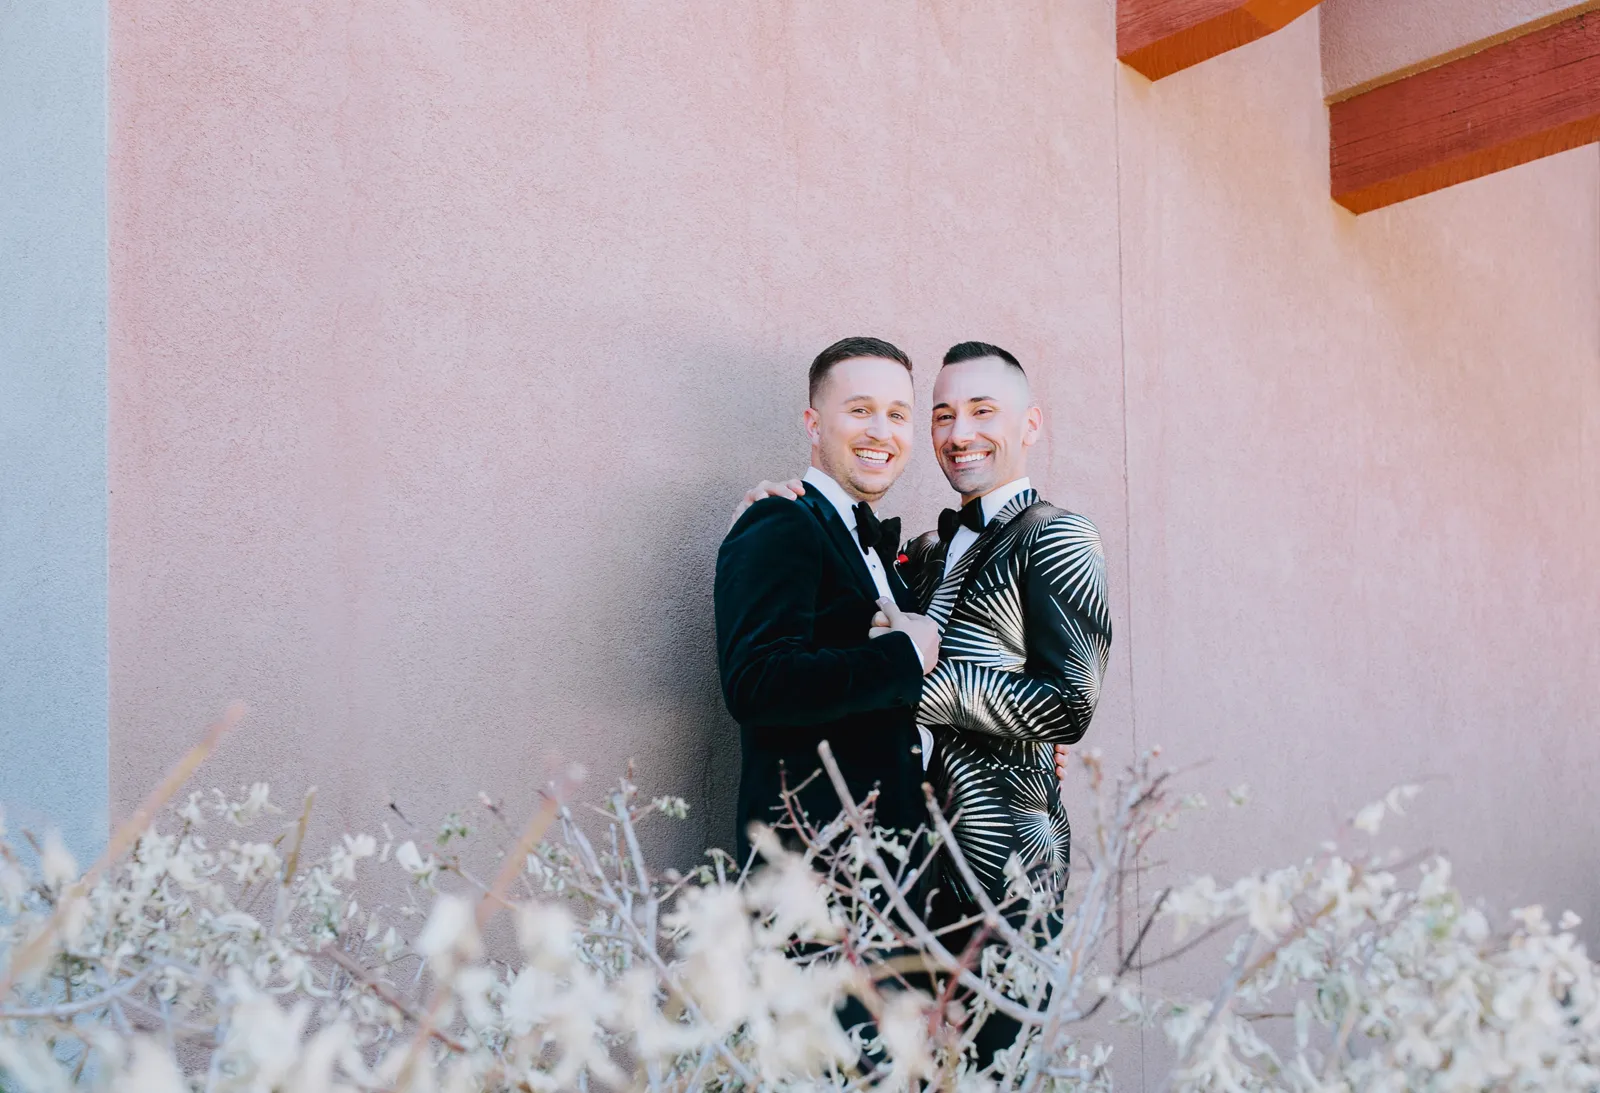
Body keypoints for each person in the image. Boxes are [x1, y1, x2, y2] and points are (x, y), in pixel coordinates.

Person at [734, 341, 1110, 1069]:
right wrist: (771, 510)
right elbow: (812, 641)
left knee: (989, 1077)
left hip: (1004, 877)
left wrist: (916, 684)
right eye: (943, 415)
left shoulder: (1059, 534)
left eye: (983, 411)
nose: (960, 432)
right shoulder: (924, 552)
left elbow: (1068, 703)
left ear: (1031, 424)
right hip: (905, 879)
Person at [714, 336, 943, 861]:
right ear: (814, 424)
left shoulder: (885, 555)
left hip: (895, 873)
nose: (881, 432)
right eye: (860, 410)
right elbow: (757, 684)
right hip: (812, 875)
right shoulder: (779, 518)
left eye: (897, 414)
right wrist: (906, 654)